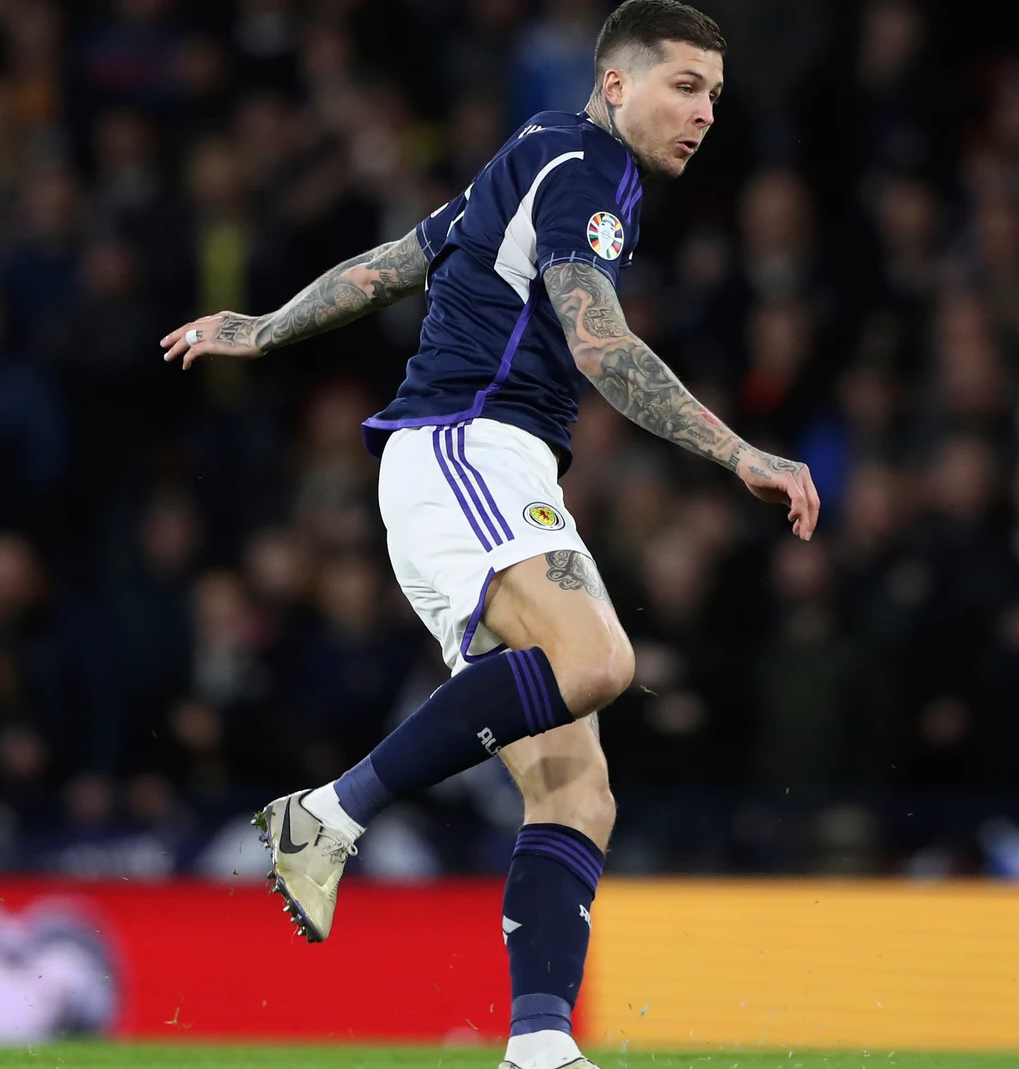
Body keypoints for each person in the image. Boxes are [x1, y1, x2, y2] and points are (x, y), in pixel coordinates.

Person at [156, 4, 818, 1069]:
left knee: (576, 788)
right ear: (616, 83)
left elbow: (407, 254)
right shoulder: (586, 167)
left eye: (715, 97)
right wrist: (740, 452)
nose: (703, 113)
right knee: (598, 660)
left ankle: (539, 1047)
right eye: (684, 86)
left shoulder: (541, 154)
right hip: (464, 445)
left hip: (485, 468)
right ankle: (326, 812)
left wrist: (268, 325)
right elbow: (598, 342)